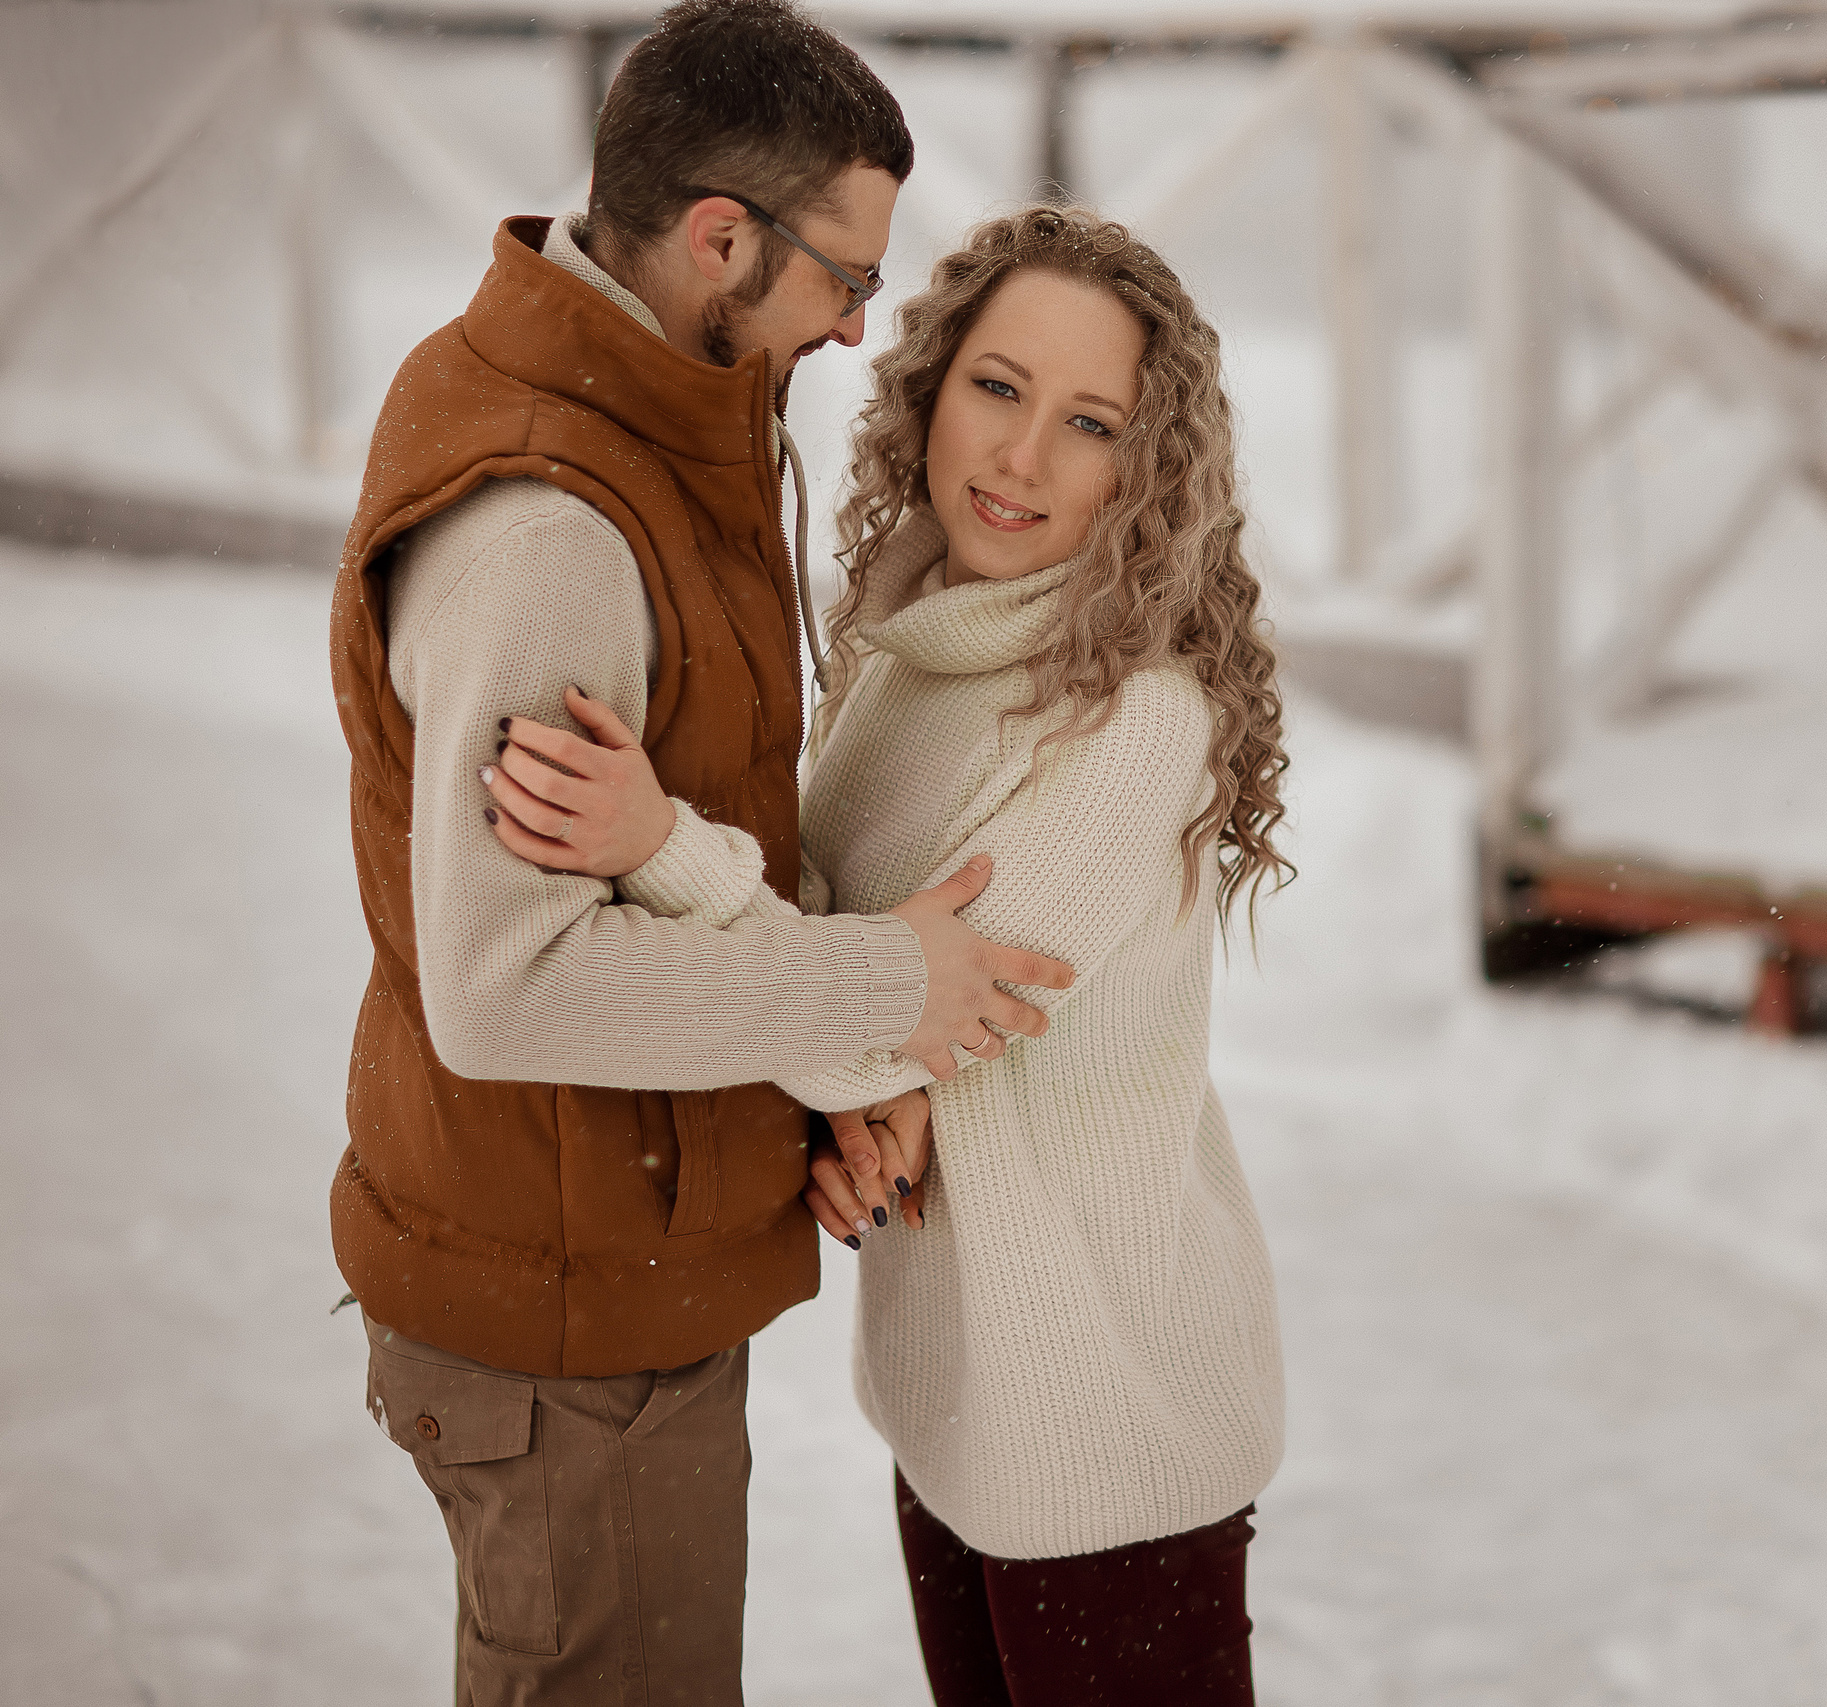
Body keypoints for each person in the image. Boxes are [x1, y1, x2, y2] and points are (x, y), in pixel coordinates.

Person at [322, 5, 1071, 1701]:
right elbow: (510, 990)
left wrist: (820, 1069)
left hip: (597, 1267)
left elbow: (681, 825)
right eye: (841, 278)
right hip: (569, 1325)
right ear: (718, 238)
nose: (863, 323)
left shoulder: (652, 403)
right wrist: (890, 987)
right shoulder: (553, 532)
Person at [486, 205, 1292, 1705]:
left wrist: (656, 846)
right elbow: (847, 964)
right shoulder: (910, 640)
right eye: (998, 387)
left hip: (1110, 1419)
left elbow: (886, 1011)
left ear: (1147, 468)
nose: (1021, 459)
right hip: (958, 1392)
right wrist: (854, 1102)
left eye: (1090, 423)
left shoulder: (1131, 719)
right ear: (931, 387)